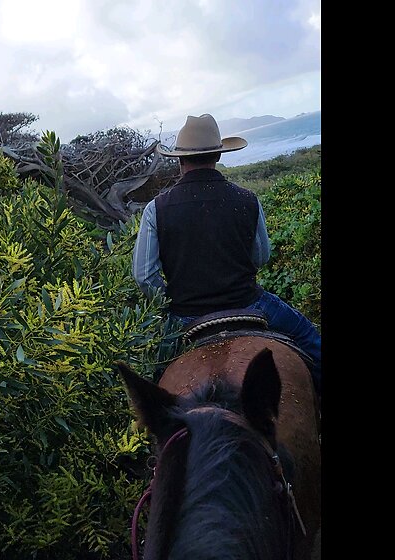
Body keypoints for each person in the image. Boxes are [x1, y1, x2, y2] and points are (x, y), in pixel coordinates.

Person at [132, 113, 322, 392]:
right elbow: (261, 257)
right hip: (250, 303)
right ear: (218, 156)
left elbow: (144, 276)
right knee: (312, 342)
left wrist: (172, 301)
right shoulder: (248, 199)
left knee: (154, 389)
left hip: (185, 314)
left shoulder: (156, 209)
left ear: (180, 160)